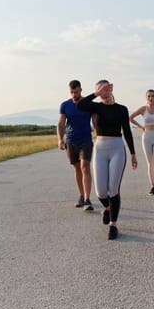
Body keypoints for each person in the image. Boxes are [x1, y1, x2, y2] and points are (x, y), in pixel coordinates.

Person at [77, 80, 138, 240]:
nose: (103, 92)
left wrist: (132, 153)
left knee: (114, 189)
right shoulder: (95, 107)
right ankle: (108, 208)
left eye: (105, 89)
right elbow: (81, 105)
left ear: (111, 89)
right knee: (101, 191)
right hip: (100, 148)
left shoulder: (122, 109)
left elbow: (127, 132)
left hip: (117, 148)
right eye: (99, 90)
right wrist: (97, 94)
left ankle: (113, 225)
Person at [57, 80, 94, 211]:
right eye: (72, 92)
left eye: (76, 92)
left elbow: (95, 119)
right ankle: (81, 195)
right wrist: (60, 139)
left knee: (85, 167)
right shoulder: (65, 105)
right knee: (77, 168)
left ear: (81, 90)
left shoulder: (88, 104)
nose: (74, 95)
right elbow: (61, 124)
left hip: (86, 140)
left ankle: (88, 199)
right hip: (71, 140)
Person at [130, 89, 154, 196]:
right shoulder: (143, 109)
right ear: (146, 98)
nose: (151, 98)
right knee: (150, 163)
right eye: (149, 96)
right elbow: (130, 118)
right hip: (146, 137)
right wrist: (141, 127)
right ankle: (152, 186)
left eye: (153, 96)